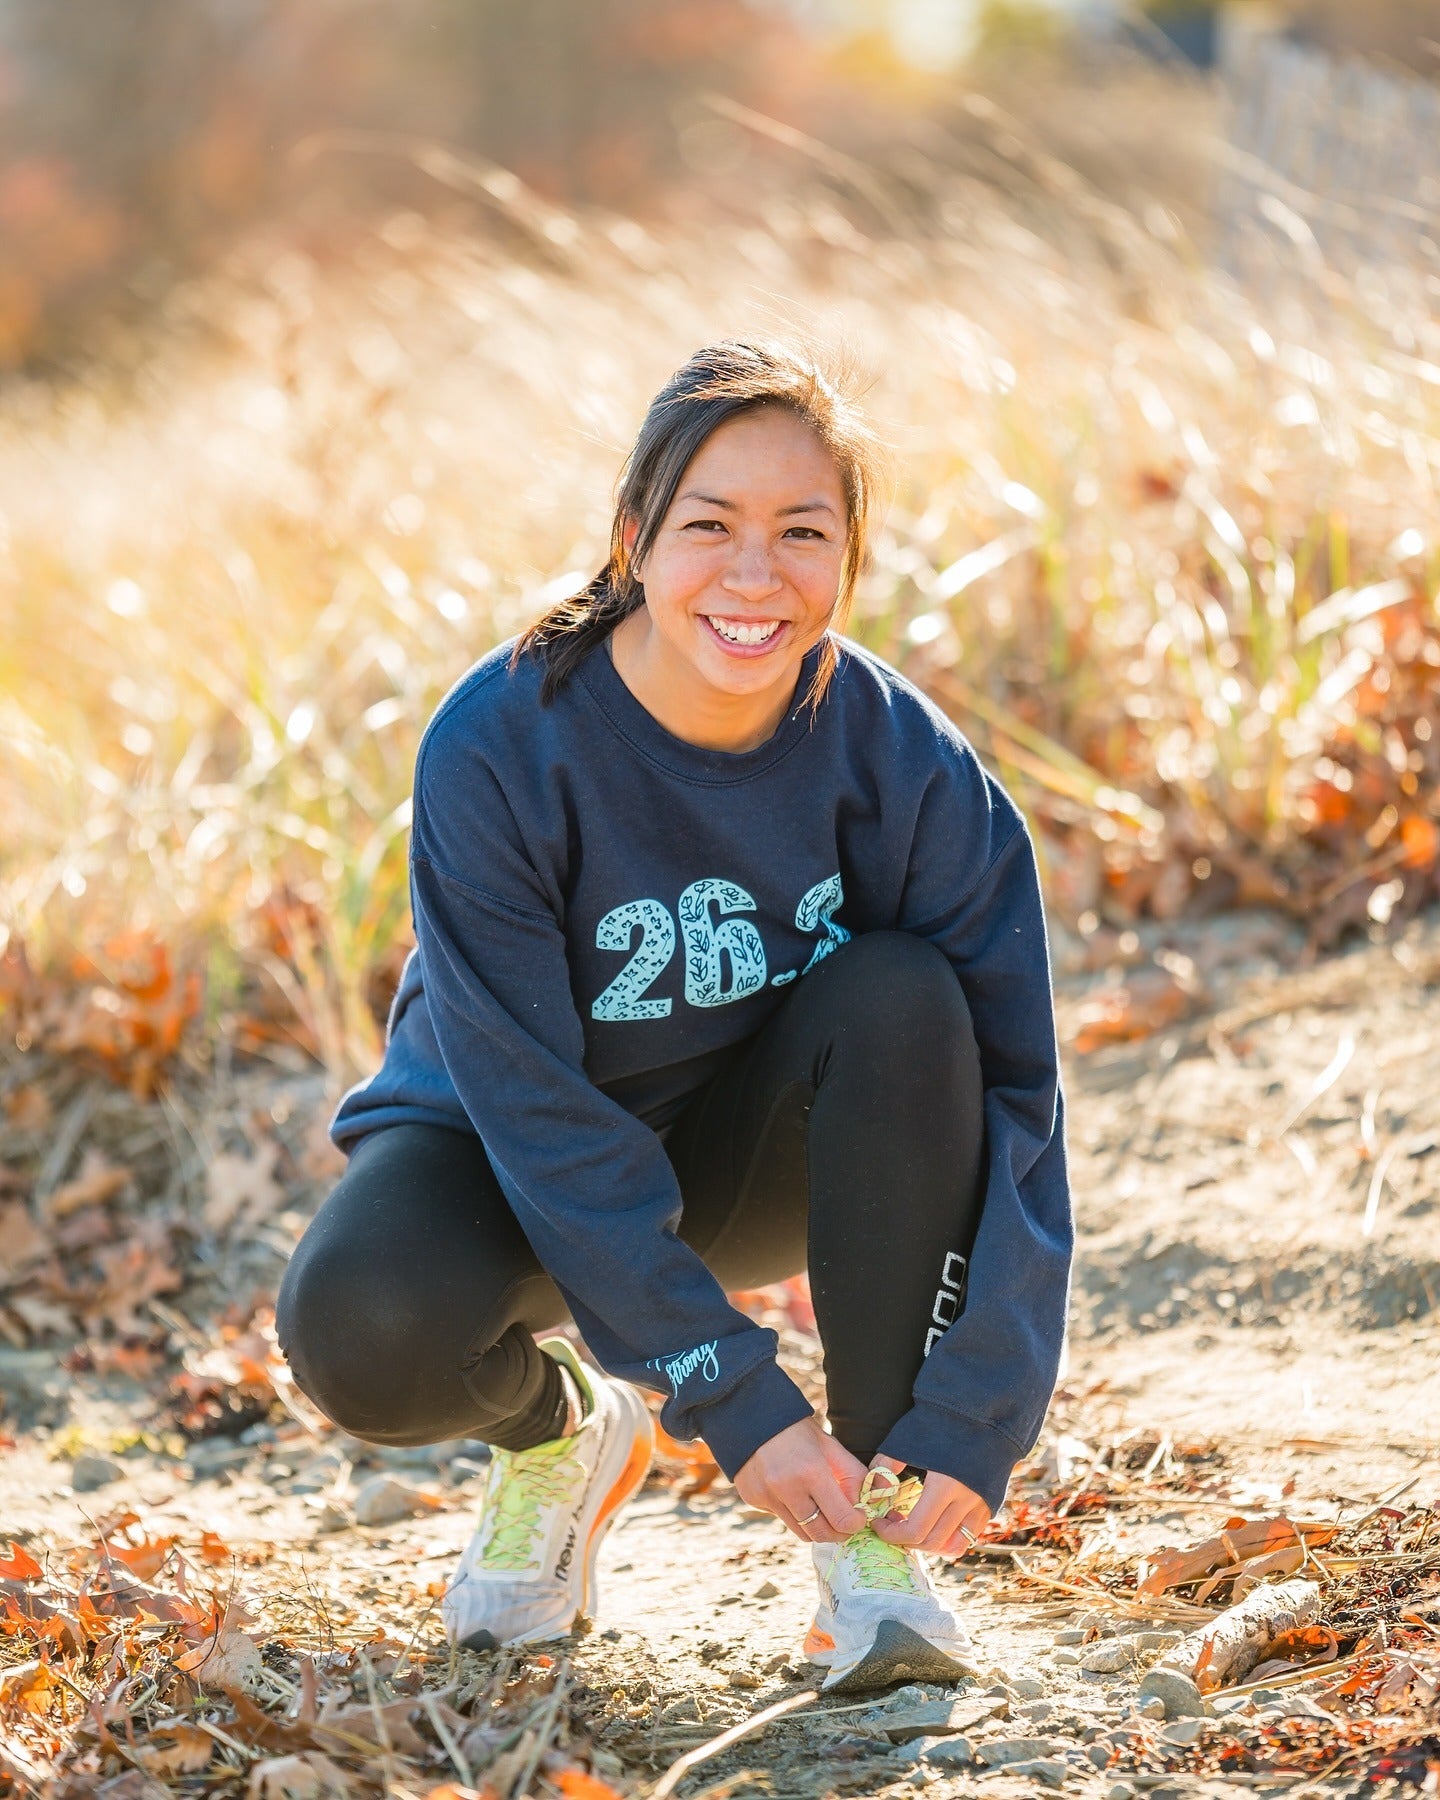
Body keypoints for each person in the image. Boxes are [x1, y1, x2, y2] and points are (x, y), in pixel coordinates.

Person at [276, 339, 1072, 1694]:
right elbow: (531, 1109)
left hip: (750, 1159)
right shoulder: (502, 743)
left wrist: (975, 1408)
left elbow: (1015, 1097)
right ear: (637, 535)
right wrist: (732, 1396)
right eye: (711, 526)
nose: (755, 576)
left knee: (902, 994)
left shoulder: (907, 763)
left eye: (802, 532)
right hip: (509, 1168)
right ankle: (564, 1436)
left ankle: (872, 1537)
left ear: (849, 557)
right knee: (360, 1330)